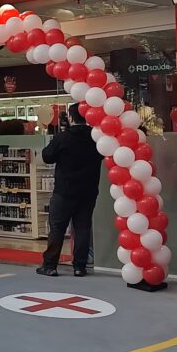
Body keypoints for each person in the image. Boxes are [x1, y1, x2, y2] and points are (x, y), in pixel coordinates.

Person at [37, 107, 103, 277]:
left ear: (71, 118)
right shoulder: (96, 138)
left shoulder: (63, 137)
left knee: (57, 228)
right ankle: (80, 266)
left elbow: (47, 156)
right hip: (88, 190)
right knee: (82, 227)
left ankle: (50, 265)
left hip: (64, 190)